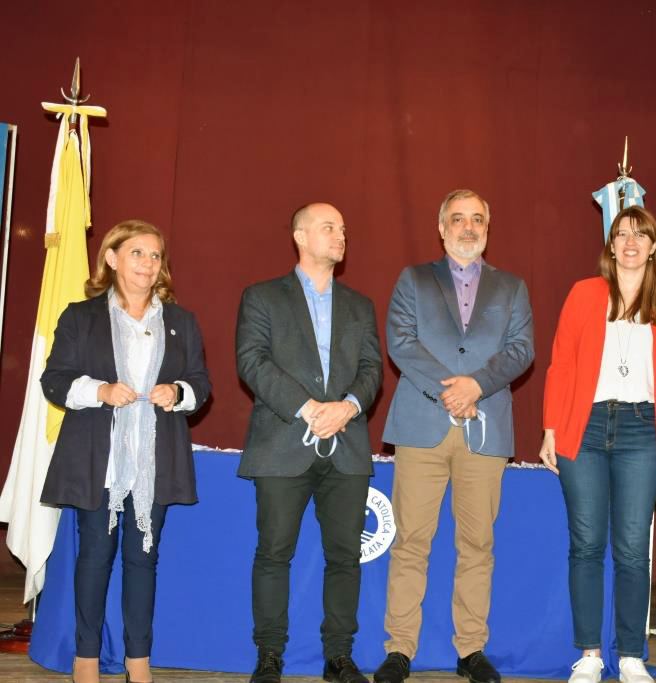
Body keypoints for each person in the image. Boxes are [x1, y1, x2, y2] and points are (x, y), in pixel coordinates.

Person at [373, 189, 534, 683]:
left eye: (478, 219)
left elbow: (521, 349)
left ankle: (470, 650)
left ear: (488, 227)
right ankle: (399, 649)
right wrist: (453, 390)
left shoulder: (511, 287)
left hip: (485, 432)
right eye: (458, 219)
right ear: (441, 228)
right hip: (422, 425)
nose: (468, 227)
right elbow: (400, 341)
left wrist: (477, 386)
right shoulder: (414, 279)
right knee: (410, 544)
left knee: (477, 544)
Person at [40, 220, 211, 683]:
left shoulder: (180, 322)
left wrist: (177, 391)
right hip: (101, 461)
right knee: (94, 557)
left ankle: (139, 661)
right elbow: (54, 380)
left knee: (144, 562)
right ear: (112, 259)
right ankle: (86, 660)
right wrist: (99, 391)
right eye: (137, 253)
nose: (148, 264)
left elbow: (201, 386)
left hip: (154, 463)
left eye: (156, 256)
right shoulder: (80, 316)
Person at [539, 205, 656, 683]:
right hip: (582, 428)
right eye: (622, 234)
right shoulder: (585, 294)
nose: (630, 242)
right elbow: (560, 362)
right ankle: (589, 655)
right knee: (585, 544)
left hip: (643, 431)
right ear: (610, 246)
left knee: (631, 549)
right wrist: (550, 428)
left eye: (640, 235)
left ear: (653, 248)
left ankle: (631, 655)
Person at [236, 203, 382, 683]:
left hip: (348, 445)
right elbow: (252, 362)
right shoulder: (262, 297)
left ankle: (339, 657)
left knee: (345, 557)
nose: (340, 235)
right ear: (300, 235)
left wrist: (347, 408)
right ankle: (270, 656)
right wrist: (307, 408)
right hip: (282, 444)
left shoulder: (360, 305)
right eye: (328, 227)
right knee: (274, 553)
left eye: (343, 228)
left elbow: (372, 371)